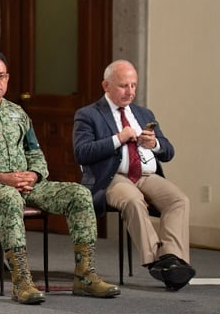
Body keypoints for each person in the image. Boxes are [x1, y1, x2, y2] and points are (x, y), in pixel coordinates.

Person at [0, 50, 119, 305]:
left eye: (2, 76)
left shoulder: (18, 113)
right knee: (8, 198)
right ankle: (21, 281)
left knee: (79, 194)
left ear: (8, 78)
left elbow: (35, 152)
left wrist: (35, 174)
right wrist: (0, 177)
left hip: (27, 185)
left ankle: (85, 275)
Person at [73, 60, 195, 290]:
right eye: (123, 86)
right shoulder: (88, 114)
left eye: (133, 86)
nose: (130, 92)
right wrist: (117, 139)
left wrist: (155, 143)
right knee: (132, 200)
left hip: (144, 174)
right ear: (106, 85)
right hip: (111, 176)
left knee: (179, 200)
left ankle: (173, 259)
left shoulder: (143, 113)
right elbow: (81, 153)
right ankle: (156, 260)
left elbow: (168, 151)